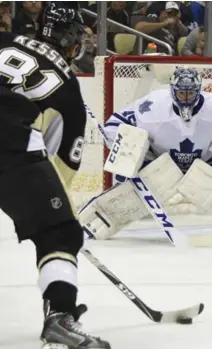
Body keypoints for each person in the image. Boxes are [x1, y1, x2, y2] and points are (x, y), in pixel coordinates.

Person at [0, 3, 110, 348]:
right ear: (73, 41)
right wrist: (62, 216)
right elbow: (60, 170)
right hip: (10, 141)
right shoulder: (67, 87)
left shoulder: (5, 37)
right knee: (59, 233)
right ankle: (60, 316)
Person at [79, 67, 212, 244]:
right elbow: (114, 124)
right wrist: (128, 152)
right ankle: (104, 215)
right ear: (172, 91)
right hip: (159, 164)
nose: (186, 98)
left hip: (206, 164)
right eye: (181, 93)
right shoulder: (152, 106)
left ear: (199, 90)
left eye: (191, 93)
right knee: (149, 176)